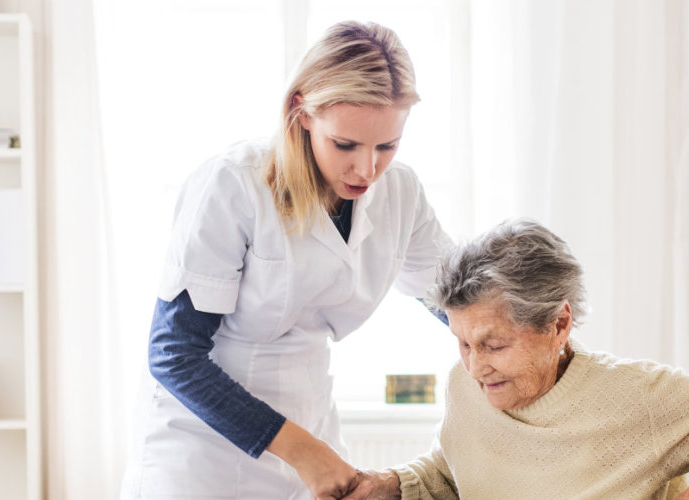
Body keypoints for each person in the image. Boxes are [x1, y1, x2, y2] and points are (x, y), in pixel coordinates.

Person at [121, 21, 453, 500]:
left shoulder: (400, 192)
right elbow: (174, 355)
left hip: (310, 420)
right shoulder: (233, 184)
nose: (368, 168)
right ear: (302, 111)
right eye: (346, 145)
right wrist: (304, 452)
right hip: (201, 448)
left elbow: (457, 297)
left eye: (387, 145)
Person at [342, 220, 689, 500]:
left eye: (494, 345)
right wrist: (392, 485)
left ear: (558, 324)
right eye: (463, 344)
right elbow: (457, 473)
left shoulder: (636, 398)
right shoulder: (465, 386)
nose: (475, 367)